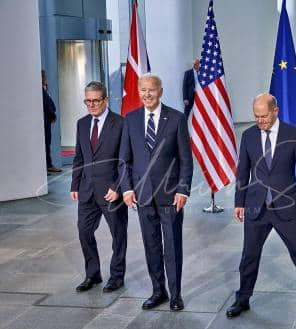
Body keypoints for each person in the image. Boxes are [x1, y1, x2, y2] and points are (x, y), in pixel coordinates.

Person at [226, 93, 296, 318]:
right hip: (256, 207)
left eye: (264, 116)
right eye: (256, 116)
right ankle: (242, 299)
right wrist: (239, 202)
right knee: (249, 256)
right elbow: (242, 171)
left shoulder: (293, 134)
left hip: (286, 207)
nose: (260, 121)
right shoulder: (248, 136)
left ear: (275, 111)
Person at [119, 74, 193, 311]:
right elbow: (124, 160)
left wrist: (183, 190)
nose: (146, 94)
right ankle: (158, 291)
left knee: (172, 247)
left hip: (171, 196)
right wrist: (127, 188)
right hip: (142, 196)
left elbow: (185, 159)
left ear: (160, 91)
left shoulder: (177, 119)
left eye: (151, 90)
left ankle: (175, 295)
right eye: (142, 90)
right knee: (151, 246)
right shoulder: (130, 120)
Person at [70, 81, 128, 293]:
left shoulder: (121, 124)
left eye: (96, 100)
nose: (92, 105)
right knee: (84, 232)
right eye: (88, 101)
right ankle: (92, 274)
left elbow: (126, 160)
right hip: (87, 190)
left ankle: (117, 276)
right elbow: (79, 157)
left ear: (105, 100)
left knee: (118, 235)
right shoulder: (82, 124)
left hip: (112, 191)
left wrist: (118, 187)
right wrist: (75, 184)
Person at [42, 70, 62, 173]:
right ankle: (48, 165)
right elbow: (47, 105)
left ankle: (48, 165)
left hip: (47, 121)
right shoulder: (41, 90)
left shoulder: (44, 89)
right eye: (44, 77)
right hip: (45, 121)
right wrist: (52, 114)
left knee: (47, 143)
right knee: (45, 143)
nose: (46, 79)